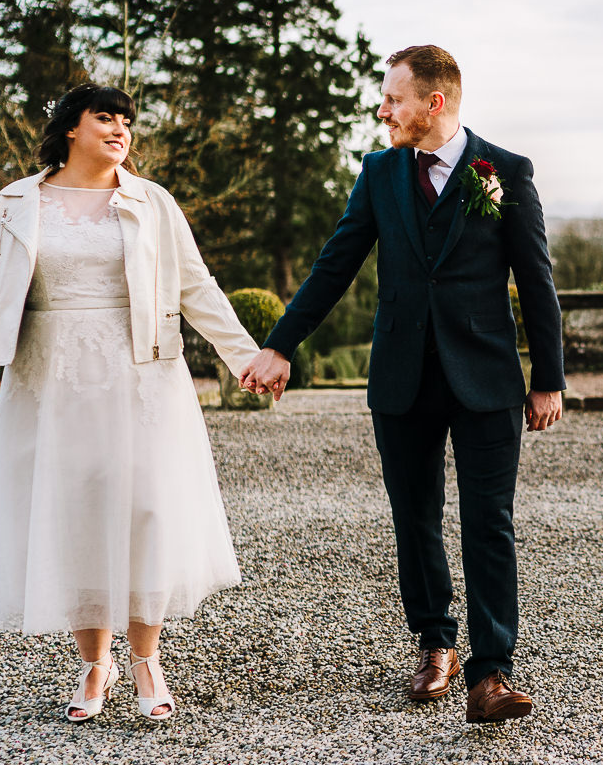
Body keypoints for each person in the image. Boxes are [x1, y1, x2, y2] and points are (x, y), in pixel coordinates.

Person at [240, 44, 564, 723]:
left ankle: (491, 673)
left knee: (488, 522)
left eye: (393, 99)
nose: (382, 110)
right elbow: (336, 264)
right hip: (401, 376)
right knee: (413, 517)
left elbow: (536, 281)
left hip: (487, 378)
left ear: (433, 103)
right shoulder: (380, 173)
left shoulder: (506, 171)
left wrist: (548, 380)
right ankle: (435, 643)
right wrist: (279, 344)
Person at [0, 83, 260, 723]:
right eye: (105, 117)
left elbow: (196, 287)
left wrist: (245, 358)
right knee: (75, 511)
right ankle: (94, 664)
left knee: (146, 509)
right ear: (71, 127)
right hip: (52, 381)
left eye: (126, 121)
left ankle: (147, 660)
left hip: (142, 380)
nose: (120, 129)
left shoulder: (152, 201)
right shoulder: (18, 202)